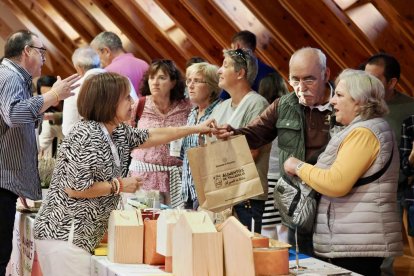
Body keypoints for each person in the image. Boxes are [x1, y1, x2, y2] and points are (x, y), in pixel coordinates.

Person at [33, 72, 213, 276]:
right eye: (127, 97)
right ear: (109, 102)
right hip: (64, 235)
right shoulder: (86, 135)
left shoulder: (116, 131)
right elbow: (74, 188)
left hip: (77, 237)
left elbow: (153, 135)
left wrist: (195, 129)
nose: (132, 102)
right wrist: (119, 185)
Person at [214, 47, 335, 256]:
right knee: (302, 262)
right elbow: (256, 132)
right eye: (294, 80)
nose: (301, 87)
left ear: (326, 74)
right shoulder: (284, 105)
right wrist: (233, 132)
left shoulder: (342, 104)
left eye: (309, 79)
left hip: (335, 201)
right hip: (296, 201)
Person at [283, 69, 403, 276]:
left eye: (339, 95)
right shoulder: (368, 128)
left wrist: (297, 167)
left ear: (359, 101)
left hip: (357, 240)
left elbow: (336, 183)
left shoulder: (364, 133)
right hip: (353, 236)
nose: (332, 102)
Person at [0, 30, 79, 276]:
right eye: (42, 52)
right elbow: (14, 115)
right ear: (27, 51)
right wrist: (53, 95)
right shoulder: (10, 77)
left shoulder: (14, 77)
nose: (44, 59)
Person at [364, 53, 414, 275]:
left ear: (392, 82)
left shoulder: (409, 107)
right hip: (374, 186)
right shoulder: (362, 105)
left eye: (374, 79)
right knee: (377, 249)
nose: (368, 84)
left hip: (406, 185)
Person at [211, 48, 270, 233]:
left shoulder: (257, 104)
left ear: (240, 73)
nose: (219, 70)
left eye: (225, 65)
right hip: (220, 193)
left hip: (246, 199)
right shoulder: (220, 107)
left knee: (243, 256)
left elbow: (252, 152)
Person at [129, 60, 191, 207]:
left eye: (162, 78)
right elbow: (128, 135)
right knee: (147, 222)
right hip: (144, 176)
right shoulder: (140, 105)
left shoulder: (187, 107)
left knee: (174, 225)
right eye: (152, 77)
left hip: (176, 176)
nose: (155, 82)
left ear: (173, 83)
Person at [181, 62, 221, 210]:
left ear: (211, 86)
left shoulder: (219, 111)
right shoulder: (192, 113)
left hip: (208, 191)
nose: (190, 86)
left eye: (196, 81)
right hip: (188, 191)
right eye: (188, 80)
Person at [257, 72, 289, 239]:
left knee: (267, 226)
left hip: (266, 176)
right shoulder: (289, 113)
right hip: (285, 176)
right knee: (284, 226)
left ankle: (270, 262)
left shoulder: (263, 117)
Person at [220, 30, 276, 100]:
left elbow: (223, 99)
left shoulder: (234, 70)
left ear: (237, 46)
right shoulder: (271, 72)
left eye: (232, 47)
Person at [90, 31, 148, 97]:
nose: (97, 60)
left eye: (96, 55)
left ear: (106, 51)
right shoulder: (143, 64)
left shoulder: (106, 74)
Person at [37, 75, 63, 157]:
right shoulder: (46, 110)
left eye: (51, 93)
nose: (50, 98)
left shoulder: (71, 101)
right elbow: (46, 133)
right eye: (45, 95)